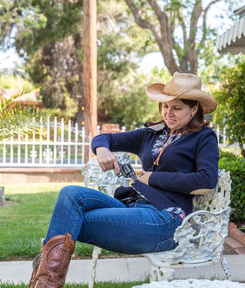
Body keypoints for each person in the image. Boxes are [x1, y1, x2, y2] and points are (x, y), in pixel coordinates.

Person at [29, 72, 219, 288]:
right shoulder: (152, 134)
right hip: (133, 207)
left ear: (193, 108)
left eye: (177, 108)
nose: (169, 113)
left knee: (69, 221)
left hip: (167, 219)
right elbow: (104, 138)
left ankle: (43, 283)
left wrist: (154, 178)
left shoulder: (204, 137)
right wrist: (102, 150)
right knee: (70, 194)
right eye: (166, 107)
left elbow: (206, 180)